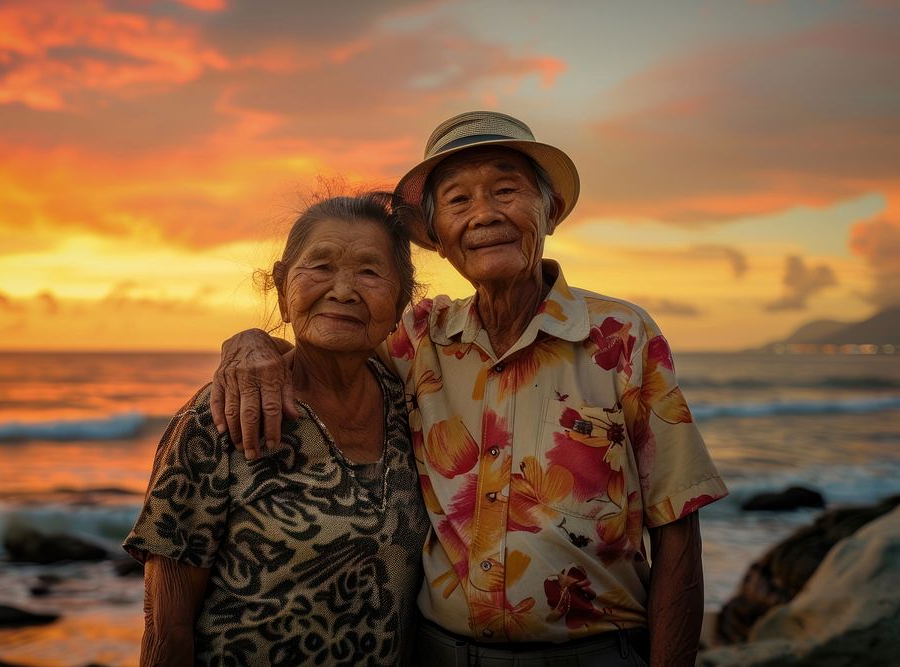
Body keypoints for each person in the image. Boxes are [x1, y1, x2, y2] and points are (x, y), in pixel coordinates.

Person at [211, 111, 729, 666]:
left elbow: (677, 530)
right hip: (440, 654)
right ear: (438, 237)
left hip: (596, 652)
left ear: (548, 210)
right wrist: (249, 343)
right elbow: (329, 348)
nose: (484, 214)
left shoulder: (621, 336)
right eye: (458, 201)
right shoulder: (417, 337)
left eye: (506, 191)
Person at [123, 192, 430, 666]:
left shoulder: (413, 400)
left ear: (401, 301)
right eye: (321, 267)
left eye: (370, 272)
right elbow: (166, 630)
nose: (344, 290)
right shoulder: (220, 416)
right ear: (283, 288)